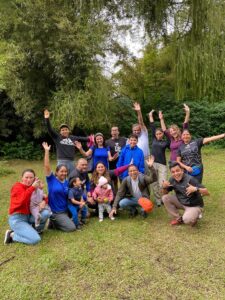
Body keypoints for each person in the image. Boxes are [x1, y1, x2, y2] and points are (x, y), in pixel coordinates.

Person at [4, 169, 50, 245]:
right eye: (26, 177)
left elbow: (43, 196)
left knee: (45, 213)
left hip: (29, 216)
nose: (28, 180)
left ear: (34, 179)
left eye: (31, 177)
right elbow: (21, 201)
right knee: (35, 239)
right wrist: (32, 188)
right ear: (22, 178)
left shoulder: (35, 188)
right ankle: (12, 235)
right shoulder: (17, 187)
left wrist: (44, 201)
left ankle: (37, 230)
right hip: (18, 219)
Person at [44, 109, 94, 174]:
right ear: (60, 132)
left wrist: (93, 139)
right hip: (61, 161)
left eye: (66, 129)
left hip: (71, 162)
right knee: (60, 178)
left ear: (69, 131)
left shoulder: (73, 137)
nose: (64, 131)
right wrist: (47, 118)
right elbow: (50, 129)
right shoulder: (57, 137)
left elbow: (84, 139)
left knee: (72, 179)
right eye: (62, 130)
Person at [162, 161, 209, 226]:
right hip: (182, 202)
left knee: (187, 219)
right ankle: (178, 218)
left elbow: (207, 192)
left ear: (182, 170)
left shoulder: (190, 179)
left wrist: (196, 189)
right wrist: (164, 187)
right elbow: (165, 193)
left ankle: (195, 215)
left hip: (194, 205)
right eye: (173, 172)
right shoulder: (172, 179)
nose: (176, 173)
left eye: (177, 170)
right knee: (165, 198)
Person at [42, 142, 76, 232]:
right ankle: (53, 221)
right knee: (71, 228)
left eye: (65, 172)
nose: (64, 173)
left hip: (66, 209)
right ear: (56, 172)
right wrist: (46, 151)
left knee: (83, 214)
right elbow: (46, 166)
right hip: (56, 212)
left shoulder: (67, 182)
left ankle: (56, 222)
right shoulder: (51, 180)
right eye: (61, 171)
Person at [148, 110, 170, 206]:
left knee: (163, 183)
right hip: (152, 163)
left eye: (160, 134)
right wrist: (150, 115)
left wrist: (161, 119)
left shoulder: (166, 142)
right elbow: (152, 125)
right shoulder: (153, 139)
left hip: (162, 164)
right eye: (157, 134)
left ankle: (164, 198)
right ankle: (158, 200)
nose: (158, 135)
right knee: (154, 183)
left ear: (162, 134)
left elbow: (167, 132)